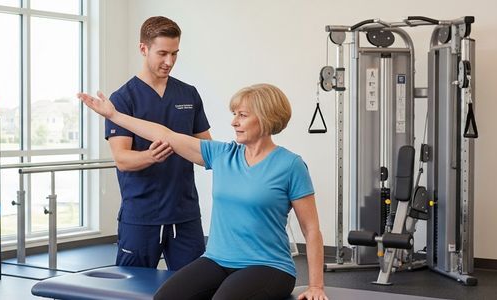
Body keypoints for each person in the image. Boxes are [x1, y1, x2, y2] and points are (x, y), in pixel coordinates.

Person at [79, 84, 327, 300]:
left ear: (265, 118)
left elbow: (311, 229)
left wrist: (316, 285)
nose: (234, 122)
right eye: (234, 114)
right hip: (217, 260)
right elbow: (165, 134)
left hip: (269, 266)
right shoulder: (222, 154)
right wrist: (114, 115)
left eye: (242, 115)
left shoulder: (290, 165)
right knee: (166, 296)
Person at [105, 16, 213, 271]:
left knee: (195, 286)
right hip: (141, 216)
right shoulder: (122, 99)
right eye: (162, 53)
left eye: (175, 54)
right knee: (133, 287)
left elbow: (206, 150)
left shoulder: (188, 94)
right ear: (143, 48)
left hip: (185, 215)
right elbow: (122, 159)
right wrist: (150, 156)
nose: (169, 62)